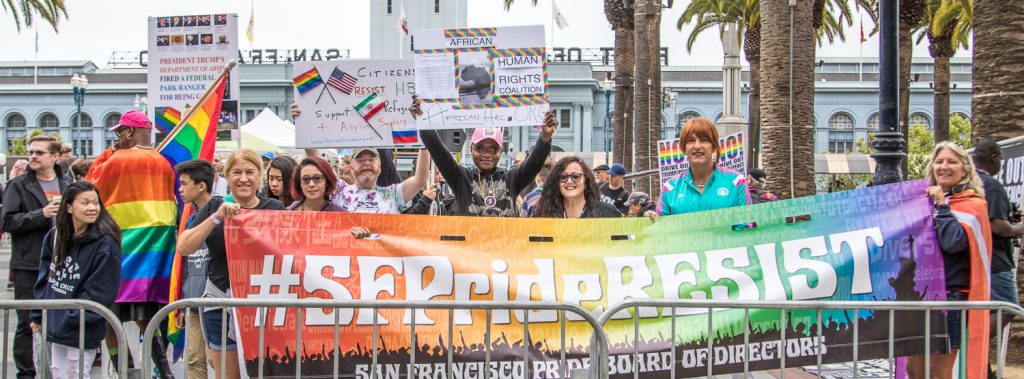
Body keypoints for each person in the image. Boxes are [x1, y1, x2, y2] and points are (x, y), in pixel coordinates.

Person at [177, 149, 286, 379]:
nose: (243, 178)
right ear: (228, 176)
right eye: (236, 172)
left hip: (264, 305)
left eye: (250, 172)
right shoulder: (214, 206)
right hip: (221, 303)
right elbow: (185, 246)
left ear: (260, 175)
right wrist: (217, 217)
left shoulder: (274, 209)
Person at [85, 110, 177, 378]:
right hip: (154, 255)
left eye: (118, 132)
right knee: (147, 317)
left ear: (129, 132)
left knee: (111, 319)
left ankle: (126, 372)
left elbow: (90, 187)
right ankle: (164, 371)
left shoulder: (115, 161)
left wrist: (107, 155)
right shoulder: (163, 161)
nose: (116, 137)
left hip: (120, 250)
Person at [909, 141, 992, 379]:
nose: (944, 166)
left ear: (965, 169)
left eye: (952, 161)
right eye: (939, 161)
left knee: (938, 373)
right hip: (921, 296)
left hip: (951, 297)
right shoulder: (924, 203)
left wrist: (942, 206)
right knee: (914, 371)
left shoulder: (972, 205)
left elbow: (953, 242)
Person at [30, 181, 121, 379]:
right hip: (55, 322)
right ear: (69, 207)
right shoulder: (55, 236)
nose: (92, 208)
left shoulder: (105, 243)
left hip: (81, 327)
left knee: (75, 374)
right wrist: (38, 314)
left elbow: (101, 290)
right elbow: (45, 277)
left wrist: (71, 317)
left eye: (95, 202)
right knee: (57, 373)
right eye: (85, 203)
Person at [411, 96, 557, 217]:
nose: (487, 154)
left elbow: (535, 162)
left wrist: (545, 136)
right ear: (471, 149)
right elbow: (438, 152)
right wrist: (424, 122)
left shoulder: (512, 179)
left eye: (493, 149)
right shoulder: (461, 178)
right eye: (480, 148)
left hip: (503, 250)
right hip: (469, 250)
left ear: (500, 151)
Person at [1, 134, 71, 379]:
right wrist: (41, 214)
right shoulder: (18, 184)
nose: (32, 156)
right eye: (31, 152)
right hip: (29, 263)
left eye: (39, 153)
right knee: (26, 322)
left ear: (55, 156)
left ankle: (57, 369)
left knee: (61, 318)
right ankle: (26, 373)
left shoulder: (67, 184)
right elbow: (8, 221)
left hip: (62, 263)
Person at [970, 139, 1024, 374]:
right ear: (994, 158)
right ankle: (973, 345)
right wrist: (1020, 227)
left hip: (977, 261)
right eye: (1000, 159)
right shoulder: (990, 184)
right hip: (995, 260)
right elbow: (999, 227)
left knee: (985, 310)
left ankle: (981, 363)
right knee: (1007, 307)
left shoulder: (969, 183)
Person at [646, 117, 750, 218]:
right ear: (684, 148)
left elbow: (748, 227)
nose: (697, 146)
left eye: (704, 140)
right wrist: (650, 220)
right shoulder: (669, 188)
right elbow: (661, 232)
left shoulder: (736, 182)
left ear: (714, 146)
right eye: (691, 140)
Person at [172, 160, 218, 379]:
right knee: (193, 359)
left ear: (201, 186)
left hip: (216, 299)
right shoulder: (189, 218)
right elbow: (186, 263)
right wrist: (182, 300)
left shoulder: (222, 211)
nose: (180, 190)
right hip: (192, 299)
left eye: (184, 184)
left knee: (215, 358)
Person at [333, 148, 429, 213]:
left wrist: (423, 144)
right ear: (352, 168)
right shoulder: (341, 191)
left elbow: (419, 180)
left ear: (379, 168)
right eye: (360, 160)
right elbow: (318, 166)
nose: (366, 163)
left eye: (371, 160)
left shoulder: (393, 195)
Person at [532, 156, 620, 218]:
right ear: (556, 182)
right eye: (563, 177)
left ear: (586, 180)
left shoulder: (608, 213)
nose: (569, 181)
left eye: (575, 177)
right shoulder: (543, 213)